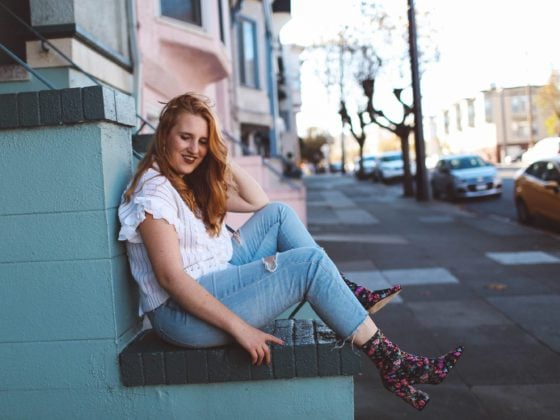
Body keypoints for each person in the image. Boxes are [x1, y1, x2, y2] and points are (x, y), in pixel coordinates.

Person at [118, 93, 463, 411]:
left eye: (203, 141)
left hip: (215, 272)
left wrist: (220, 153)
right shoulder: (154, 194)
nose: (195, 148)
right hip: (181, 315)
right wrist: (240, 328)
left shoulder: (185, 180)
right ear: (164, 136)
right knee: (308, 266)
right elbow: (171, 278)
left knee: (278, 215)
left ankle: (348, 293)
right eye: (185, 137)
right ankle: (392, 362)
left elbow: (258, 202)